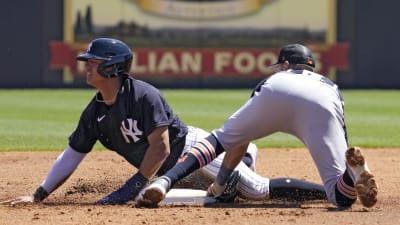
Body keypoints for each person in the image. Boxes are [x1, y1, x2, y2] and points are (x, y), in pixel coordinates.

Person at [0, 39, 327, 206]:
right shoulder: (95, 112)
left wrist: (131, 186)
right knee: (216, 196)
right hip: (169, 171)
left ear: (113, 67)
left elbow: (161, 147)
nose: (86, 67)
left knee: (252, 191)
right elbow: (71, 154)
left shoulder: (144, 96)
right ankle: (244, 156)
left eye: (93, 62)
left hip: (193, 151)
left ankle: (331, 191)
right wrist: (39, 194)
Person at [137, 44, 378, 208]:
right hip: (323, 102)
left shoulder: (276, 78)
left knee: (218, 140)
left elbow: (238, 141)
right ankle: (354, 172)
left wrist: (220, 184)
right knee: (341, 197)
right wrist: (346, 162)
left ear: (285, 64)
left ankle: (163, 181)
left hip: (277, 92)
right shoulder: (329, 84)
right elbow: (343, 141)